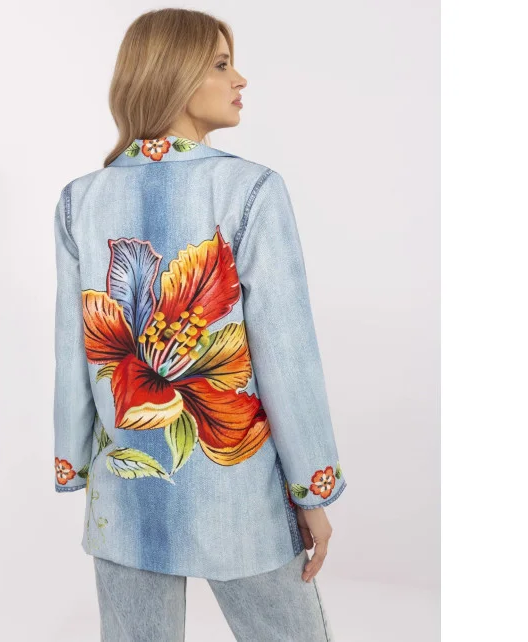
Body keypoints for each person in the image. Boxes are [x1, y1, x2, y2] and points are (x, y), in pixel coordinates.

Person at [53, 8, 347, 640]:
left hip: (123, 496)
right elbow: (287, 355)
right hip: (240, 495)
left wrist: (74, 463)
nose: (240, 79)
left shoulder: (81, 199)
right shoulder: (250, 189)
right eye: (220, 64)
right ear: (174, 74)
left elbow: (73, 352)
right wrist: (311, 489)